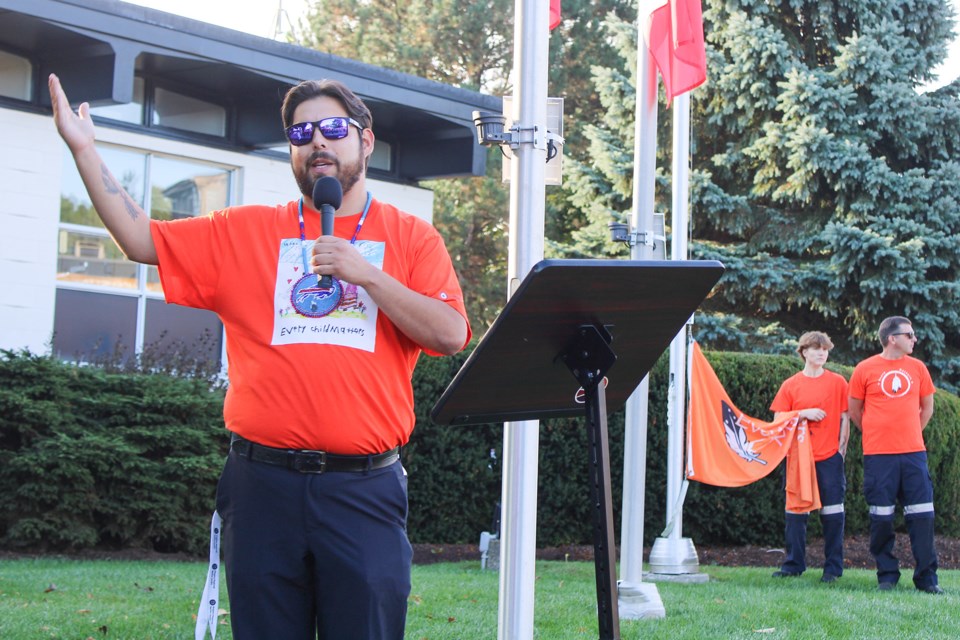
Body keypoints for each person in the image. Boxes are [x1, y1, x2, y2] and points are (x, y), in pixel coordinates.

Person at [48, 73, 471, 638]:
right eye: (301, 132)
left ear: (365, 141)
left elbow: (449, 333)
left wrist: (366, 274)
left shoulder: (413, 238)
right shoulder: (245, 232)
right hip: (261, 487)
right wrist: (84, 149)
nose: (317, 141)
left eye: (333, 127)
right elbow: (142, 240)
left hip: (363, 491)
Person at [848, 316, 942, 594]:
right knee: (881, 516)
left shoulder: (918, 368)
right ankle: (887, 576)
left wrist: (910, 433)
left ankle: (927, 580)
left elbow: (927, 408)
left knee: (922, 515)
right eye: (909, 335)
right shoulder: (865, 369)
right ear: (892, 338)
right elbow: (855, 410)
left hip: (914, 455)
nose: (914, 339)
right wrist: (878, 434)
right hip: (879, 457)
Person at [769, 331, 849, 583]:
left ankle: (833, 569)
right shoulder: (790, 384)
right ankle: (793, 565)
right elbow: (777, 420)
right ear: (804, 351)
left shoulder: (838, 382)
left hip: (829, 456)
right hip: (798, 459)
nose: (821, 353)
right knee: (796, 513)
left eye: (825, 349)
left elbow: (845, 417)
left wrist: (841, 449)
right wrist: (803, 413)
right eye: (816, 348)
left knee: (833, 513)